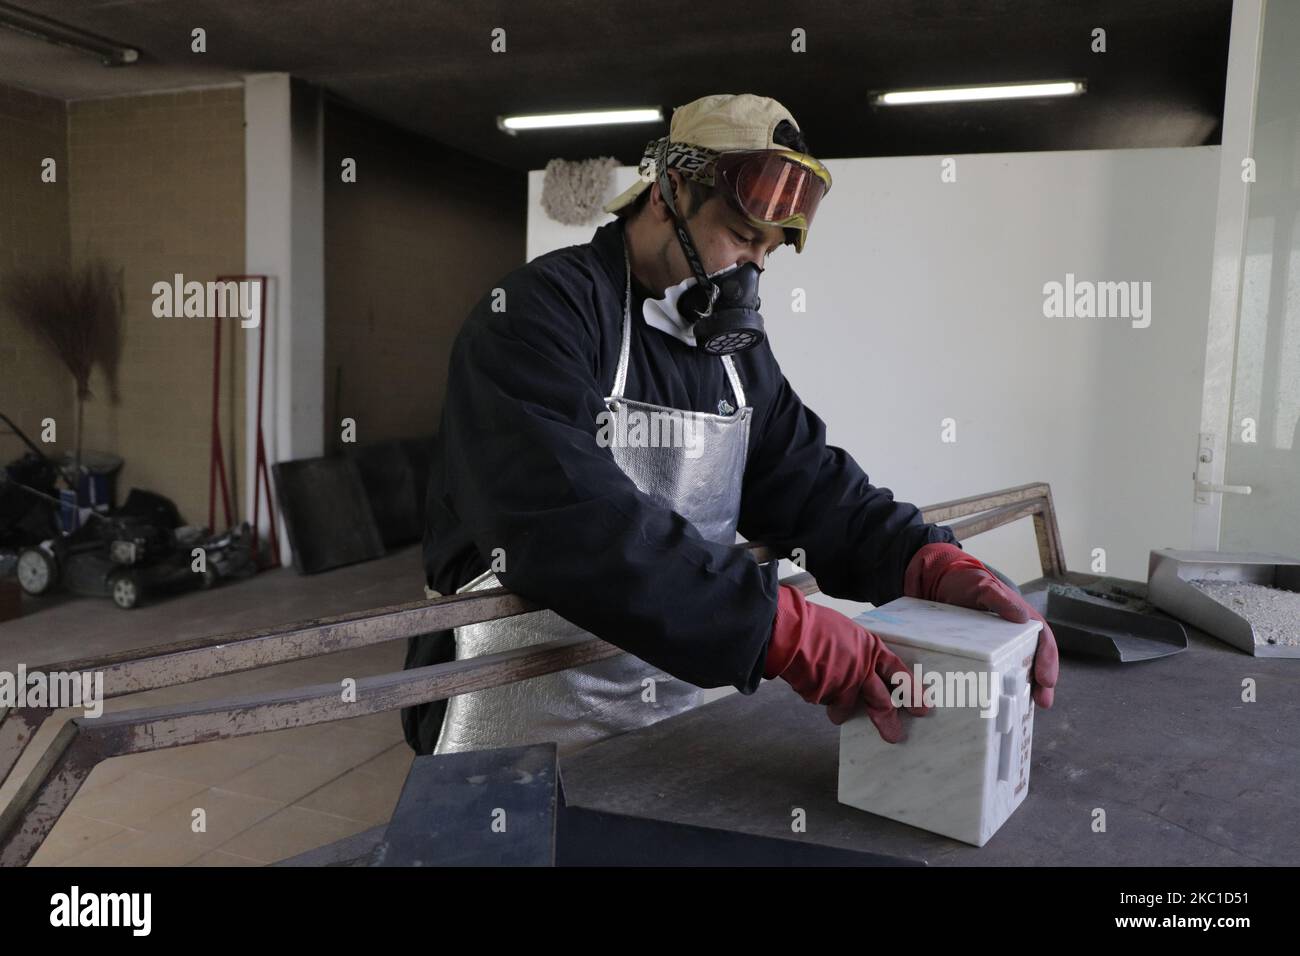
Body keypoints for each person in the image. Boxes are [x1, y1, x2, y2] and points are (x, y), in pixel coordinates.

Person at [401, 93, 1058, 757]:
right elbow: (566, 523)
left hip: (667, 720)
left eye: (769, 251)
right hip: (505, 724)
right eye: (744, 238)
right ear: (669, 192)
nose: (755, 270)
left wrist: (923, 559)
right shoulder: (539, 317)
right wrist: (777, 626)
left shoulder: (734, 356)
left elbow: (808, 484)